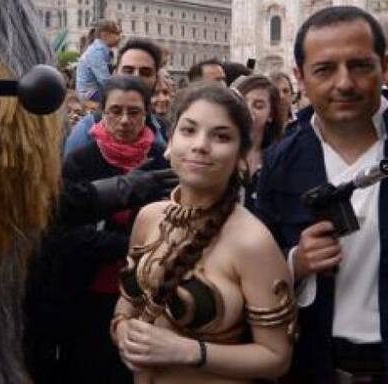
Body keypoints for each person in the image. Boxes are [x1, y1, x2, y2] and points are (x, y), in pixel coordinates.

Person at [112, 82, 294, 383]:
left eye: (221, 136)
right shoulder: (148, 217)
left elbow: (277, 358)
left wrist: (187, 351)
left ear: (241, 156)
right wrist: (122, 330)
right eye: (188, 130)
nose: (200, 145)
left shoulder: (253, 242)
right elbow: (128, 303)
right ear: (170, 141)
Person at [255, 6, 388, 382]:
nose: (344, 83)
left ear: (384, 67)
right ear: (300, 77)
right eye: (325, 69)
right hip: (316, 364)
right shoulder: (280, 162)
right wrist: (296, 262)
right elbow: (255, 266)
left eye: (360, 66)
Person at [25, 76, 171, 383]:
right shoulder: (81, 160)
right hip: (86, 292)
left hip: (146, 295)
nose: (124, 120)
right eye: (115, 111)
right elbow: (63, 232)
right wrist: (126, 245)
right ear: (102, 113)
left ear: (147, 114)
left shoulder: (163, 159)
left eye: (134, 112)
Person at [65, 38, 167, 157]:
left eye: (145, 73)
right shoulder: (85, 131)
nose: (135, 77)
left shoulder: (164, 131)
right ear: (114, 74)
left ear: (156, 79)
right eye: (128, 71)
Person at [231, 75, 285, 211]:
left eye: (258, 106)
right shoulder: (220, 153)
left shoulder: (281, 158)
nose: (248, 110)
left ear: (271, 114)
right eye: (242, 103)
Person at [75, 20, 122, 103]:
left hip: (94, 92)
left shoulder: (101, 50)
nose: (119, 37)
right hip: (90, 94)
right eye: (117, 34)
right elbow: (105, 81)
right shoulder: (96, 52)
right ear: (105, 35)